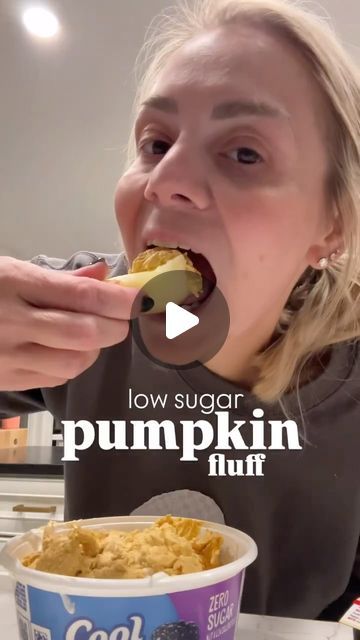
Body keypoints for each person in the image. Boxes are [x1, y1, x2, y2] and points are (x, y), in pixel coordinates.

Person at [0, 0, 359, 622]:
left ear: (331, 226)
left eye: (244, 153)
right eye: (155, 141)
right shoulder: (74, 298)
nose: (166, 179)